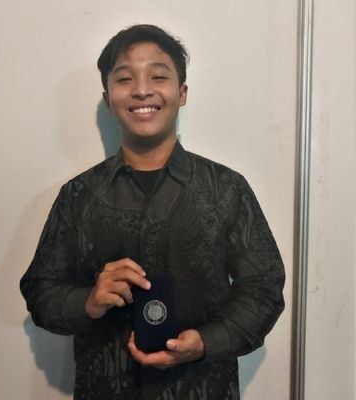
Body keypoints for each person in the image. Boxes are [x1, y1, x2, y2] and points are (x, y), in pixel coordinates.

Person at [20, 24, 285, 400]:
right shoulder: (79, 195)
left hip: (203, 388)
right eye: (125, 78)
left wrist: (205, 342)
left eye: (158, 76)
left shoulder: (226, 188)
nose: (142, 89)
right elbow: (40, 292)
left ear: (182, 92)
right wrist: (89, 301)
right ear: (108, 97)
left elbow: (264, 289)